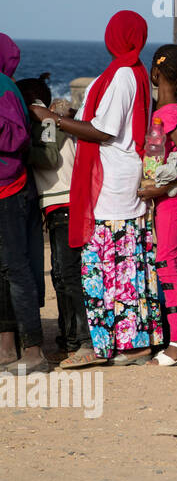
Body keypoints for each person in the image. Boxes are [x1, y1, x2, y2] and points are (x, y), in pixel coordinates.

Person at [33, 11, 163, 366]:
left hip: (114, 182)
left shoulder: (122, 74)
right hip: (117, 178)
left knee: (114, 260)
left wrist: (55, 120)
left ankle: (130, 342)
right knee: (122, 260)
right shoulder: (129, 70)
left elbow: (105, 130)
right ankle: (128, 339)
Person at [141, 45, 177, 365]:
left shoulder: (168, 114)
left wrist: (164, 188)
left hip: (170, 204)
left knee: (167, 265)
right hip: (163, 203)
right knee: (165, 264)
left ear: (155, 73)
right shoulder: (165, 110)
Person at [24, 79, 90, 360]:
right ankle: (69, 336)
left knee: (68, 275)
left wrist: (22, 146)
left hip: (65, 204)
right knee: (63, 276)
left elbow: (50, 158)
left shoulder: (48, 124)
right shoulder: (52, 122)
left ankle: (81, 338)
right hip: (57, 207)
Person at [0, 33, 45, 372]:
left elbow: (17, 137)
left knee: (16, 268)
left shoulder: (5, 88)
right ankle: (6, 346)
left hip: (11, 189)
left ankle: (33, 349)